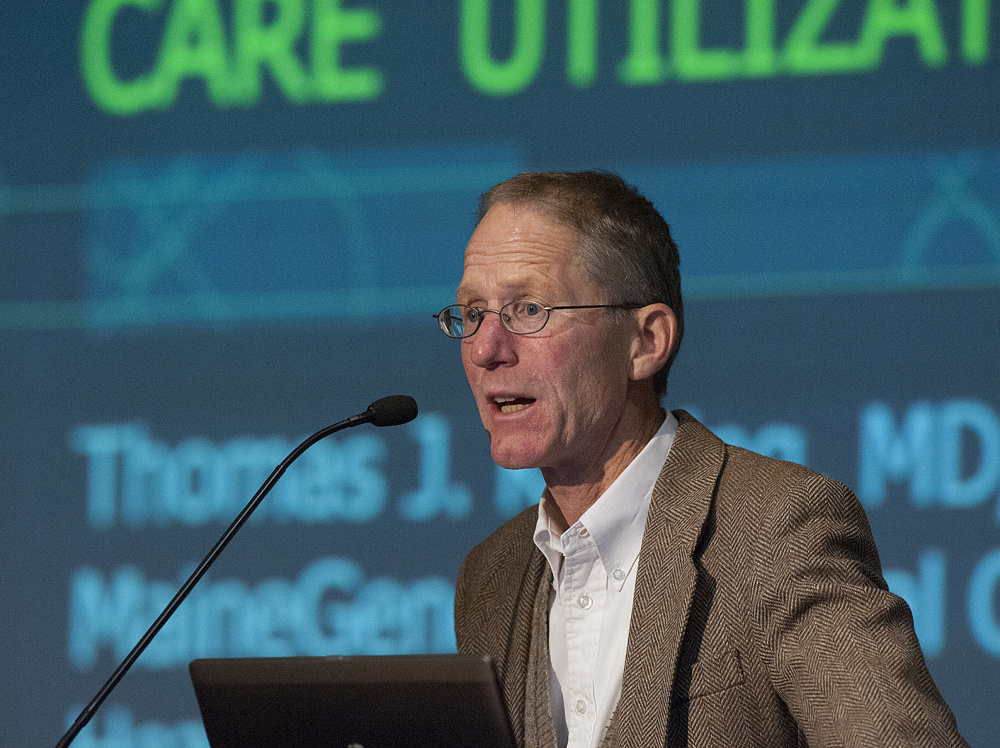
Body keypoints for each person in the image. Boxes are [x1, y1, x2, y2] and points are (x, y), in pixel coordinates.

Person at [439, 171, 968, 748]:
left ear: (646, 341)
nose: (487, 348)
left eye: (528, 309)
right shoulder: (491, 578)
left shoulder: (777, 531)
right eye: (471, 313)